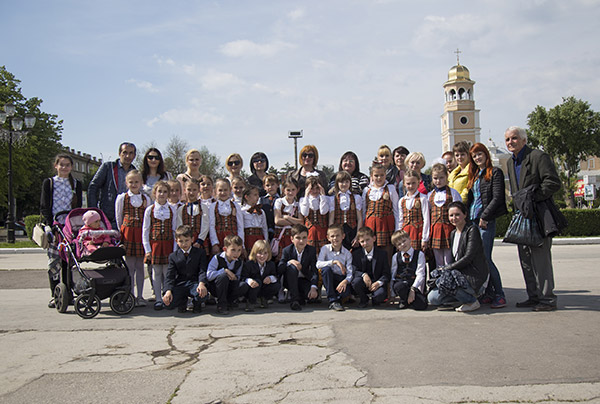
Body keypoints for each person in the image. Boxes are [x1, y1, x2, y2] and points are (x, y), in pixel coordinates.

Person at [505, 126, 562, 311]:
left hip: (538, 215)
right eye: (507, 139)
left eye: (514, 138)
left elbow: (553, 182)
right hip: (522, 217)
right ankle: (534, 296)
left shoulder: (538, 157)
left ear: (524, 140)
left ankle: (547, 299)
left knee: (541, 260)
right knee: (526, 260)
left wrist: (532, 197)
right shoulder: (510, 162)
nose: (510, 142)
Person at [467, 142, 508, 309]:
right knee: (479, 259)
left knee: (486, 258)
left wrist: (485, 216)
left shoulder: (495, 172)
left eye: (480, 154)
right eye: (474, 156)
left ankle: (500, 294)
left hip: (485, 221)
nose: (477, 158)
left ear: (486, 154)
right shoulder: (475, 175)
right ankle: (489, 293)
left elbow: (497, 197)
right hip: (473, 220)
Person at [427, 201, 489, 313]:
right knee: (433, 298)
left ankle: (471, 301)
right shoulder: (453, 233)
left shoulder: (472, 230)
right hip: (458, 275)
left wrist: (447, 268)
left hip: (473, 276)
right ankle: (461, 297)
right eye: (451, 215)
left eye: (457, 214)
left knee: (445, 282)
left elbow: (468, 257)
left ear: (465, 214)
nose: (454, 218)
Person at [40, 154, 82, 308]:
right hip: (54, 226)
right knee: (54, 261)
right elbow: (44, 205)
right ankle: (55, 294)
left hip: (69, 227)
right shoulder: (49, 183)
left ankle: (68, 293)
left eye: (67, 165)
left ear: (71, 167)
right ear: (56, 166)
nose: (64, 168)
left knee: (68, 262)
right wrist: (49, 224)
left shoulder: (76, 184)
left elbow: (78, 207)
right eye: (61, 165)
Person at [115, 170, 151, 307]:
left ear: (141, 183)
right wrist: (122, 233)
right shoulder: (122, 198)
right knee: (130, 267)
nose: (134, 184)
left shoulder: (145, 199)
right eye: (131, 182)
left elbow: (148, 218)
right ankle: (130, 295)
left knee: (140, 267)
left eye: (136, 182)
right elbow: (119, 217)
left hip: (141, 235)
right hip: (128, 235)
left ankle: (140, 296)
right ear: (126, 183)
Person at [142, 181, 177, 310]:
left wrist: (175, 249)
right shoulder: (149, 210)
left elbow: (174, 231)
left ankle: (166, 297)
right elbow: (145, 231)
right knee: (156, 272)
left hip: (168, 245)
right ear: (154, 193)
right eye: (159, 191)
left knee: (167, 272)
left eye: (165, 192)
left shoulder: (172, 210)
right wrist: (147, 249)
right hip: (155, 245)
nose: (162, 194)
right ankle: (158, 299)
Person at [88, 142, 136, 229]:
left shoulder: (135, 172)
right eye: (125, 152)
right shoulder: (108, 167)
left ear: (134, 156)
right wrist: (94, 210)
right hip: (108, 216)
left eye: (131, 153)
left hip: (127, 217)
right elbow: (93, 186)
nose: (127, 156)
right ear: (119, 153)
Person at [162, 225, 208, 314]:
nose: (184, 244)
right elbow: (170, 276)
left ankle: (196, 304)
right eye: (181, 241)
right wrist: (168, 291)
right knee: (167, 304)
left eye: (187, 240)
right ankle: (182, 302)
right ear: (176, 241)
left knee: (202, 294)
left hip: (195, 283)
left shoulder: (200, 253)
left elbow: (202, 270)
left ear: (192, 239)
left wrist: (202, 284)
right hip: (181, 283)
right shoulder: (173, 256)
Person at [362, 162, 399, 261]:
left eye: (382, 175)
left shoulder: (390, 188)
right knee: (371, 254)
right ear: (371, 176)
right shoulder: (367, 190)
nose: (379, 178)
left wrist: (397, 229)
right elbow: (363, 212)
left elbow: (396, 211)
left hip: (386, 225)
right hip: (370, 226)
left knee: (386, 254)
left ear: (385, 175)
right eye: (376, 175)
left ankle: (386, 271)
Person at [277, 224, 319, 311]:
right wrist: (289, 262)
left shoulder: (311, 250)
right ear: (292, 239)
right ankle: (294, 300)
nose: (301, 241)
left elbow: (314, 270)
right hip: (290, 280)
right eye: (298, 238)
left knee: (312, 296)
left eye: (304, 238)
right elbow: (280, 268)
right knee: (292, 268)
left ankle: (300, 296)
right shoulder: (287, 250)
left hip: (304, 279)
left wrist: (313, 287)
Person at [427, 163, 461, 267]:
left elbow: (459, 211)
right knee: (438, 262)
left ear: (446, 177)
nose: (438, 181)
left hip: (448, 229)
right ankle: (440, 277)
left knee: (448, 260)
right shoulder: (430, 195)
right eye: (435, 178)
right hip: (435, 230)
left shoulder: (453, 193)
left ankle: (448, 276)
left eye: (441, 178)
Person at [351, 226, 390, 308]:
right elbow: (354, 270)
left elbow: (386, 273)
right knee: (355, 282)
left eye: (368, 240)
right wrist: (363, 275)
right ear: (359, 242)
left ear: (374, 239)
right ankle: (363, 299)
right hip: (363, 282)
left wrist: (379, 283)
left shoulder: (382, 254)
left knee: (380, 295)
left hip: (376, 283)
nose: (365, 243)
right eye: (362, 241)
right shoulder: (356, 254)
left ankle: (375, 300)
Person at [316, 225, 354, 311]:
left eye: (337, 235)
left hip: (340, 279)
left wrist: (345, 281)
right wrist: (334, 262)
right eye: (332, 236)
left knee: (345, 293)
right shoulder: (325, 249)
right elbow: (318, 264)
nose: (335, 238)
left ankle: (338, 299)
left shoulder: (347, 253)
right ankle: (333, 300)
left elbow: (350, 272)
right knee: (326, 269)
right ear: (328, 237)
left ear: (343, 236)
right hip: (329, 278)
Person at [206, 234, 245, 315]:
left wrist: (234, 277)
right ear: (225, 249)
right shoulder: (217, 258)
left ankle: (230, 301)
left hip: (230, 286)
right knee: (223, 277)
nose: (236, 253)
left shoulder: (239, 262)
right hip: (216, 287)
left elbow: (238, 276)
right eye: (233, 250)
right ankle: (221, 305)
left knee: (243, 285)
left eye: (239, 250)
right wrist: (224, 271)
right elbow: (209, 275)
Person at [390, 230, 428, 310]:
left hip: (413, 284)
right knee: (399, 286)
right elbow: (393, 274)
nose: (403, 244)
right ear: (397, 247)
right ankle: (404, 300)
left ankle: (409, 301)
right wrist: (392, 294)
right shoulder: (395, 257)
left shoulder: (419, 254)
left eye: (404, 241)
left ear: (409, 239)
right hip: (401, 283)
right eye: (399, 244)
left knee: (422, 305)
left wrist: (413, 289)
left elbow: (420, 274)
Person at [208, 178, 245, 256]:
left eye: (225, 190)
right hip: (219, 238)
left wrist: (241, 243)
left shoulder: (236, 206)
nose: (223, 193)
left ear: (230, 190)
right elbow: (211, 226)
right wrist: (214, 243)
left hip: (234, 239)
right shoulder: (213, 206)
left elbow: (240, 226)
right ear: (215, 191)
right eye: (220, 190)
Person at [328, 171, 363, 251]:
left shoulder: (356, 198)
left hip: (352, 230)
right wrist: (331, 234)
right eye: (341, 182)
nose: (344, 184)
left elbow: (359, 218)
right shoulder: (333, 199)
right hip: (338, 231)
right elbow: (331, 219)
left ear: (350, 183)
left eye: (347, 182)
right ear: (337, 183)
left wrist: (357, 236)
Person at [398, 170, 430, 253]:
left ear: (418, 182)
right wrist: (398, 236)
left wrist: (425, 238)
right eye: (408, 183)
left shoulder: (423, 198)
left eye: (413, 183)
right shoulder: (402, 200)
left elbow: (426, 219)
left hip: (417, 232)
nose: (411, 186)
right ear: (404, 184)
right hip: (405, 234)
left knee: (417, 255)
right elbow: (400, 220)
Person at [242, 240, 280, 308]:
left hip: (263, 287)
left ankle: (264, 298)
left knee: (276, 285)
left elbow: (275, 276)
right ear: (254, 253)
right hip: (252, 289)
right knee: (257, 281)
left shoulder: (271, 264)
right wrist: (250, 281)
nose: (262, 256)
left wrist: (270, 278)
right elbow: (243, 277)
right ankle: (250, 301)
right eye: (259, 253)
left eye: (265, 253)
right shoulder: (249, 264)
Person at [176, 178, 209, 253]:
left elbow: (205, 225)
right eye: (189, 190)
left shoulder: (203, 207)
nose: (191, 192)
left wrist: (199, 241)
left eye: (194, 190)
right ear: (185, 190)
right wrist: (185, 241)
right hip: (185, 242)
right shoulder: (181, 209)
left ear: (198, 190)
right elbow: (179, 226)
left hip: (200, 241)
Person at [273, 178, 303, 255]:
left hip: (293, 235)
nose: (291, 192)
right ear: (283, 190)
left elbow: (301, 222)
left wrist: (287, 217)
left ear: (297, 190)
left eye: (293, 190)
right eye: (288, 190)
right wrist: (294, 221)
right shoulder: (279, 201)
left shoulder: (298, 204)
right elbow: (277, 221)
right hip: (281, 235)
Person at [299, 176, 330, 253]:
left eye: (317, 188)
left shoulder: (325, 199)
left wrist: (322, 195)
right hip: (309, 230)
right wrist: (306, 195)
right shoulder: (303, 200)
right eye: (312, 189)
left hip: (322, 230)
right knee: (310, 251)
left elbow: (323, 211)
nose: (315, 191)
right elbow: (305, 213)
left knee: (323, 251)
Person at [241, 186, 269, 254]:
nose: (257, 197)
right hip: (248, 238)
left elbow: (264, 228)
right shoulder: (242, 211)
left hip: (260, 237)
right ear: (247, 197)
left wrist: (266, 241)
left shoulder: (261, 211)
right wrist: (242, 245)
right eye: (255, 195)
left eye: (258, 195)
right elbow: (241, 228)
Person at [259, 174, 280, 241]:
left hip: (277, 230)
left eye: (273, 184)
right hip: (265, 228)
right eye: (267, 185)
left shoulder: (281, 200)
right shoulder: (261, 200)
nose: (270, 187)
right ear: (264, 187)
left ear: (278, 185)